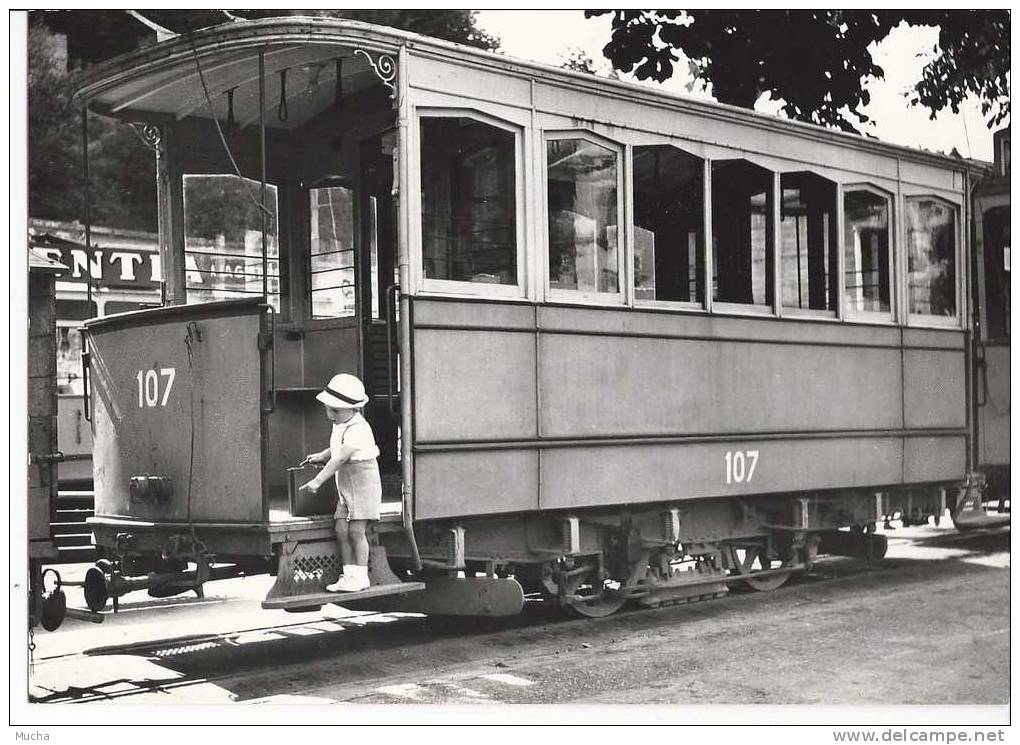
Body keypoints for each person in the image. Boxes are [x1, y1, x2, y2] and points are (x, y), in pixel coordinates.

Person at [299, 373, 381, 592]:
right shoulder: (342, 424)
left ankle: (361, 576)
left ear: (354, 409)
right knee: (341, 530)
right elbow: (335, 450)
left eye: (335, 410)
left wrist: (317, 480)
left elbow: (342, 457)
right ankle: (348, 574)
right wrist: (321, 455)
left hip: (362, 485)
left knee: (356, 531)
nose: (329, 414)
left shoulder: (358, 427)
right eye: (328, 409)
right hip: (347, 486)